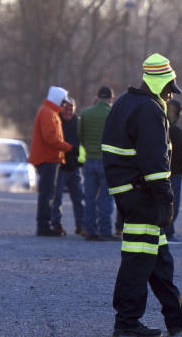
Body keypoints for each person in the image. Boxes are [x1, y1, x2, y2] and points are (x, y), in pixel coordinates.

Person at [102, 53, 182, 337]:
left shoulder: (126, 103)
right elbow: (155, 163)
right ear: (161, 84)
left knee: (159, 258)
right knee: (138, 260)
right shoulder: (149, 109)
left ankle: (177, 316)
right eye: (169, 89)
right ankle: (127, 321)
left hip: (129, 193)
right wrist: (166, 200)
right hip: (143, 195)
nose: (170, 95)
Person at [29, 85, 76, 237]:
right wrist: (69, 148)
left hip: (49, 158)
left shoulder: (49, 111)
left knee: (48, 193)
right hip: (47, 159)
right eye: (63, 102)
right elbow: (50, 138)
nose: (64, 105)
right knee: (47, 194)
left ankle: (45, 224)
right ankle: (43, 226)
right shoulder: (47, 113)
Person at [79, 86, 117, 241]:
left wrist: (89, 148)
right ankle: (105, 230)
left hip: (89, 160)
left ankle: (90, 230)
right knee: (106, 199)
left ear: (97, 97)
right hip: (107, 161)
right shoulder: (113, 114)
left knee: (89, 197)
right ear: (111, 99)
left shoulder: (86, 114)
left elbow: (80, 136)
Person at [51, 97, 85, 235]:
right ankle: (56, 224)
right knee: (57, 198)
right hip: (60, 167)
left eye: (71, 108)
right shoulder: (56, 121)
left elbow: (83, 142)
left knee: (78, 198)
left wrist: (81, 160)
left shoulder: (78, 122)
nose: (68, 111)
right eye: (66, 108)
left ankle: (80, 225)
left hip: (74, 166)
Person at [166, 99, 182, 243]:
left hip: (162, 171)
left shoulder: (160, 127)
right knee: (174, 203)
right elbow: (180, 153)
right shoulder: (176, 131)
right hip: (174, 172)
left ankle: (165, 230)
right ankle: (169, 231)